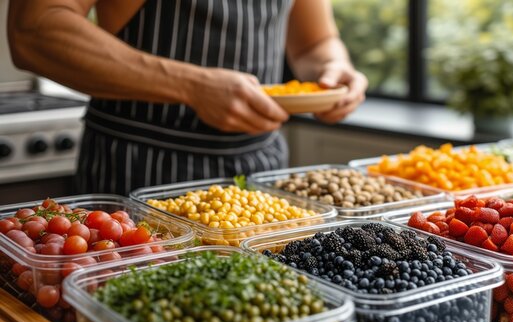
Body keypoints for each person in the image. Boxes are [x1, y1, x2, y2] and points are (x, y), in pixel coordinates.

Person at [8, 0, 368, 194]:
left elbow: (314, 44)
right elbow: (34, 30)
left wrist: (332, 69)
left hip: (262, 172)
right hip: (140, 171)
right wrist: (192, 86)